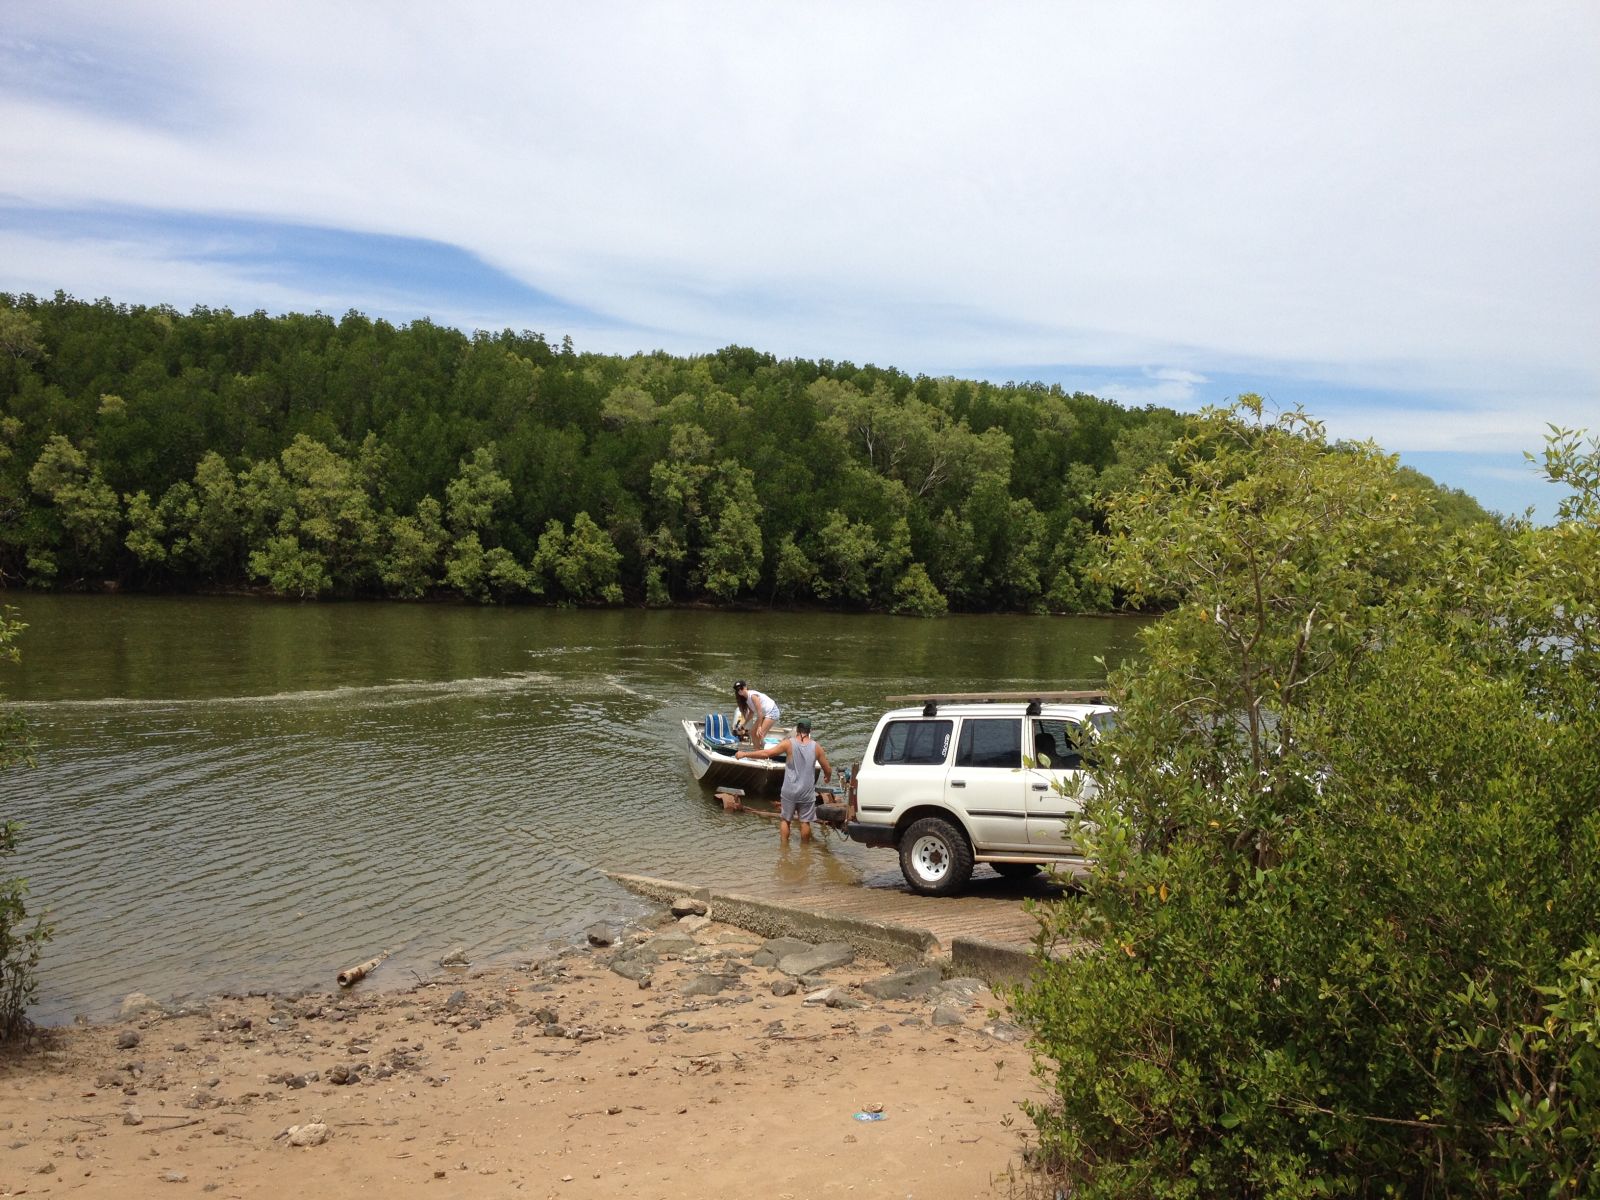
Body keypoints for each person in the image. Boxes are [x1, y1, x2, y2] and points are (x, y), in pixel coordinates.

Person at [735, 717, 831, 845]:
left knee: (785, 820)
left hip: (789, 790)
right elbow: (827, 768)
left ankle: (784, 849)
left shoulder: (788, 743)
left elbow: (766, 754)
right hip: (806, 791)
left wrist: (744, 754)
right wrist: (827, 777)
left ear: (797, 729)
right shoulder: (816, 747)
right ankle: (805, 851)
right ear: (809, 731)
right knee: (805, 822)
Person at [733, 680, 780, 747]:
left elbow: (759, 712)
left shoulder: (752, 696)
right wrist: (744, 724)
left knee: (759, 734)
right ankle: (757, 751)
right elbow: (751, 714)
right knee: (752, 733)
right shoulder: (745, 699)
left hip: (772, 712)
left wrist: (759, 727)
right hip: (763, 714)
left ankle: (763, 752)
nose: (740, 690)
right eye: (737, 689)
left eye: (741, 688)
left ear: (745, 687)